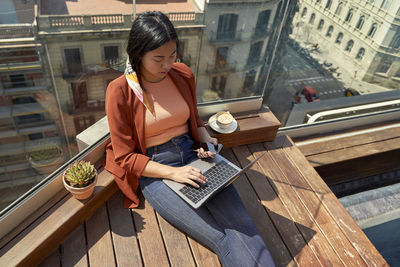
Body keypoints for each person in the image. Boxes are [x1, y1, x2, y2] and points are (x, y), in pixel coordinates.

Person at [105, 11, 275, 267]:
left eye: (173, 55)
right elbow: (125, 156)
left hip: (194, 154)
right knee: (220, 238)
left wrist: (207, 141)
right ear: (138, 54)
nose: (167, 65)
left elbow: (193, 119)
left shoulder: (182, 74)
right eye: (159, 58)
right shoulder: (120, 91)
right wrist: (174, 174)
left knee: (243, 227)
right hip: (158, 170)